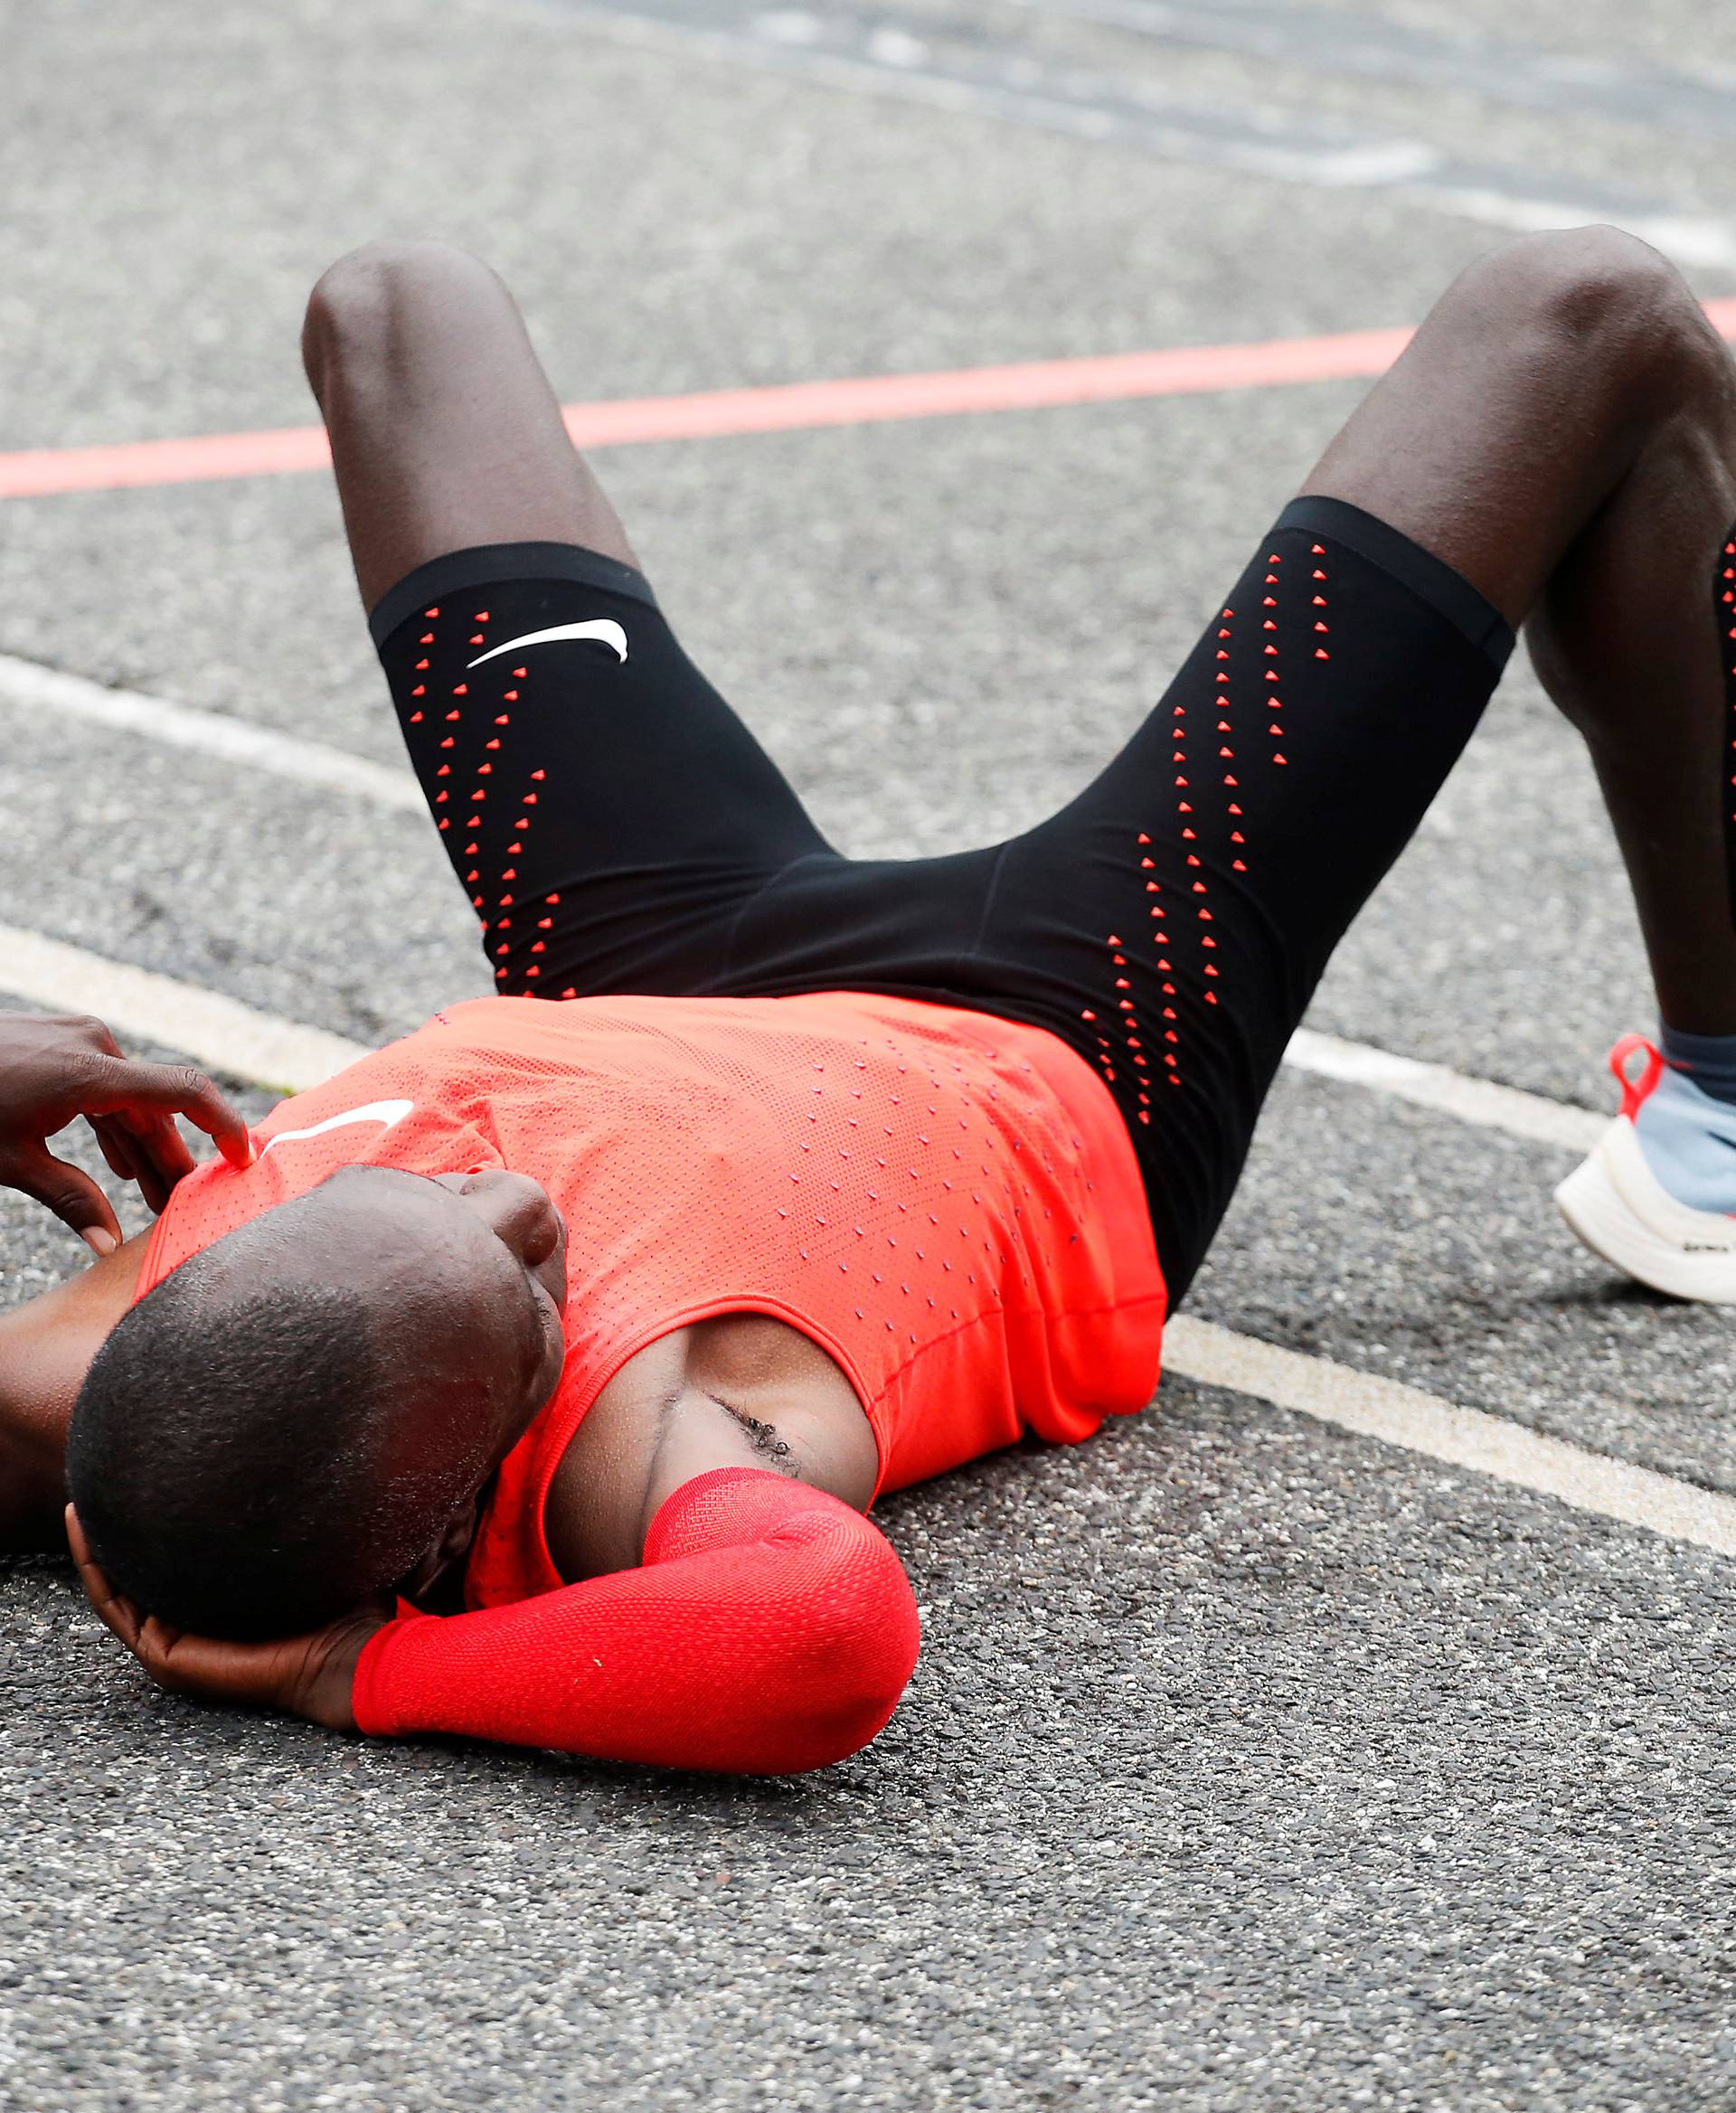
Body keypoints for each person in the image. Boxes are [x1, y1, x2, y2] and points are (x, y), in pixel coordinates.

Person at [6, 223, 1733, 1775]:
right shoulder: (644, 1448)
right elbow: (817, 1644)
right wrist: (354, 1679)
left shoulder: (111, 1395)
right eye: (529, 1287)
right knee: (1596, 318)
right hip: (1073, 1022)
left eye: (417, 1192)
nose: (517, 1192)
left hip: (637, 960)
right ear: (474, 1490)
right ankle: (1722, 1102)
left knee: (393, 306)